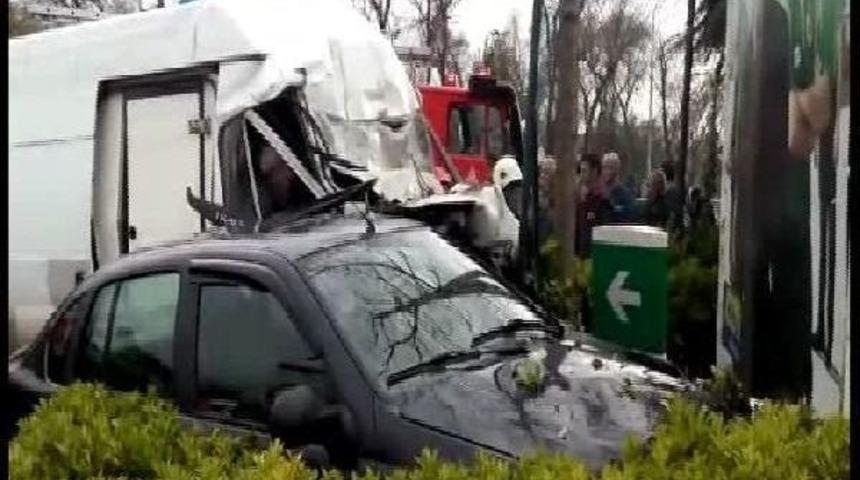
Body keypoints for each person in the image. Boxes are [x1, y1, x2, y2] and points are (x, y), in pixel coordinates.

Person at [575, 153, 611, 257]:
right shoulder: (582, 199)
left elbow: (605, 233)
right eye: (580, 170)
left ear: (594, 171)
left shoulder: (602, 200)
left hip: (595, 257)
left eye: (584, 170)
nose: (581, 174)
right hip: (580, 257)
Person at [600, 152, 635, 223]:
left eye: (610, 167)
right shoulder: (598, 193)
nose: (606, 171)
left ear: (617, 169)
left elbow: (628, 218)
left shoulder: (625, 195)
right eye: (604, 167)